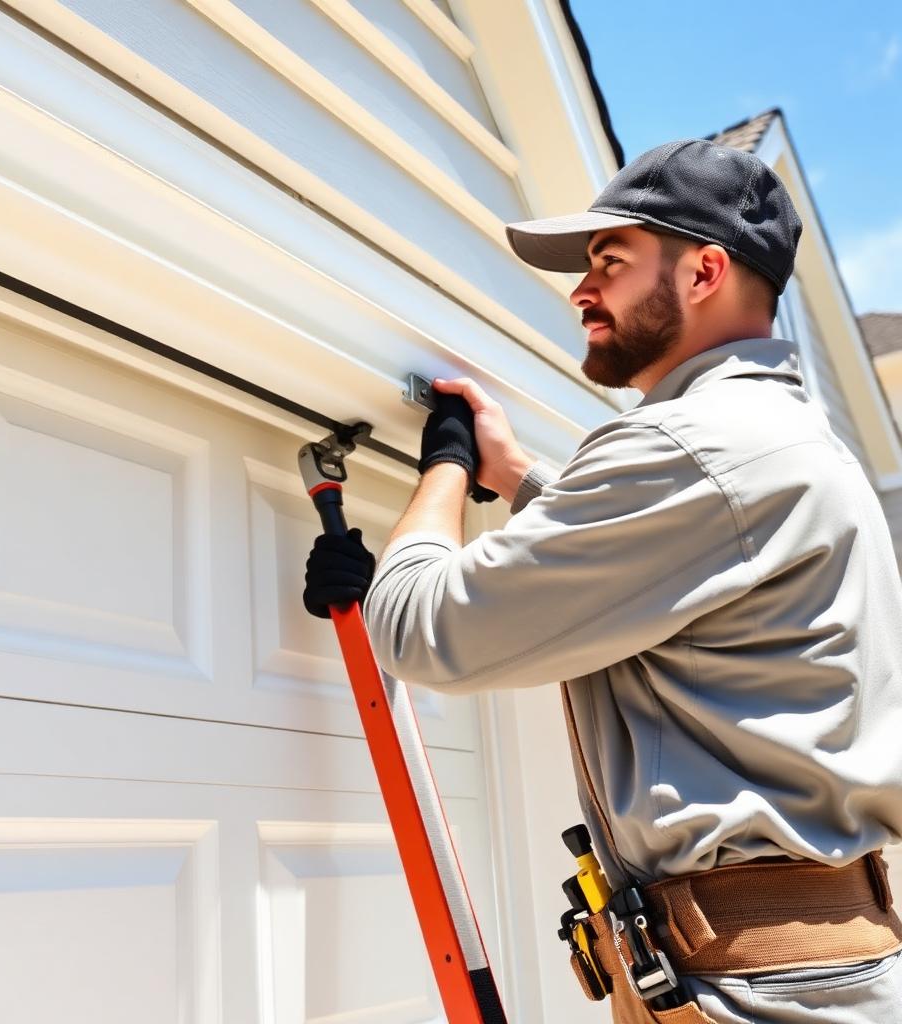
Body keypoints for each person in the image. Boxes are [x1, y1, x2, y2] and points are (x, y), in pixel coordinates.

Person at [303, 139, 902, 1023]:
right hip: (813, 967)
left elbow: (422, 630)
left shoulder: (691, 446)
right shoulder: (792, 443)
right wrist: (519, 482)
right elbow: (684, 580)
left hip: (749, 989)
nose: (581, 291)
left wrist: (445, 474)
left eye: (610, 264)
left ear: (703, 271)